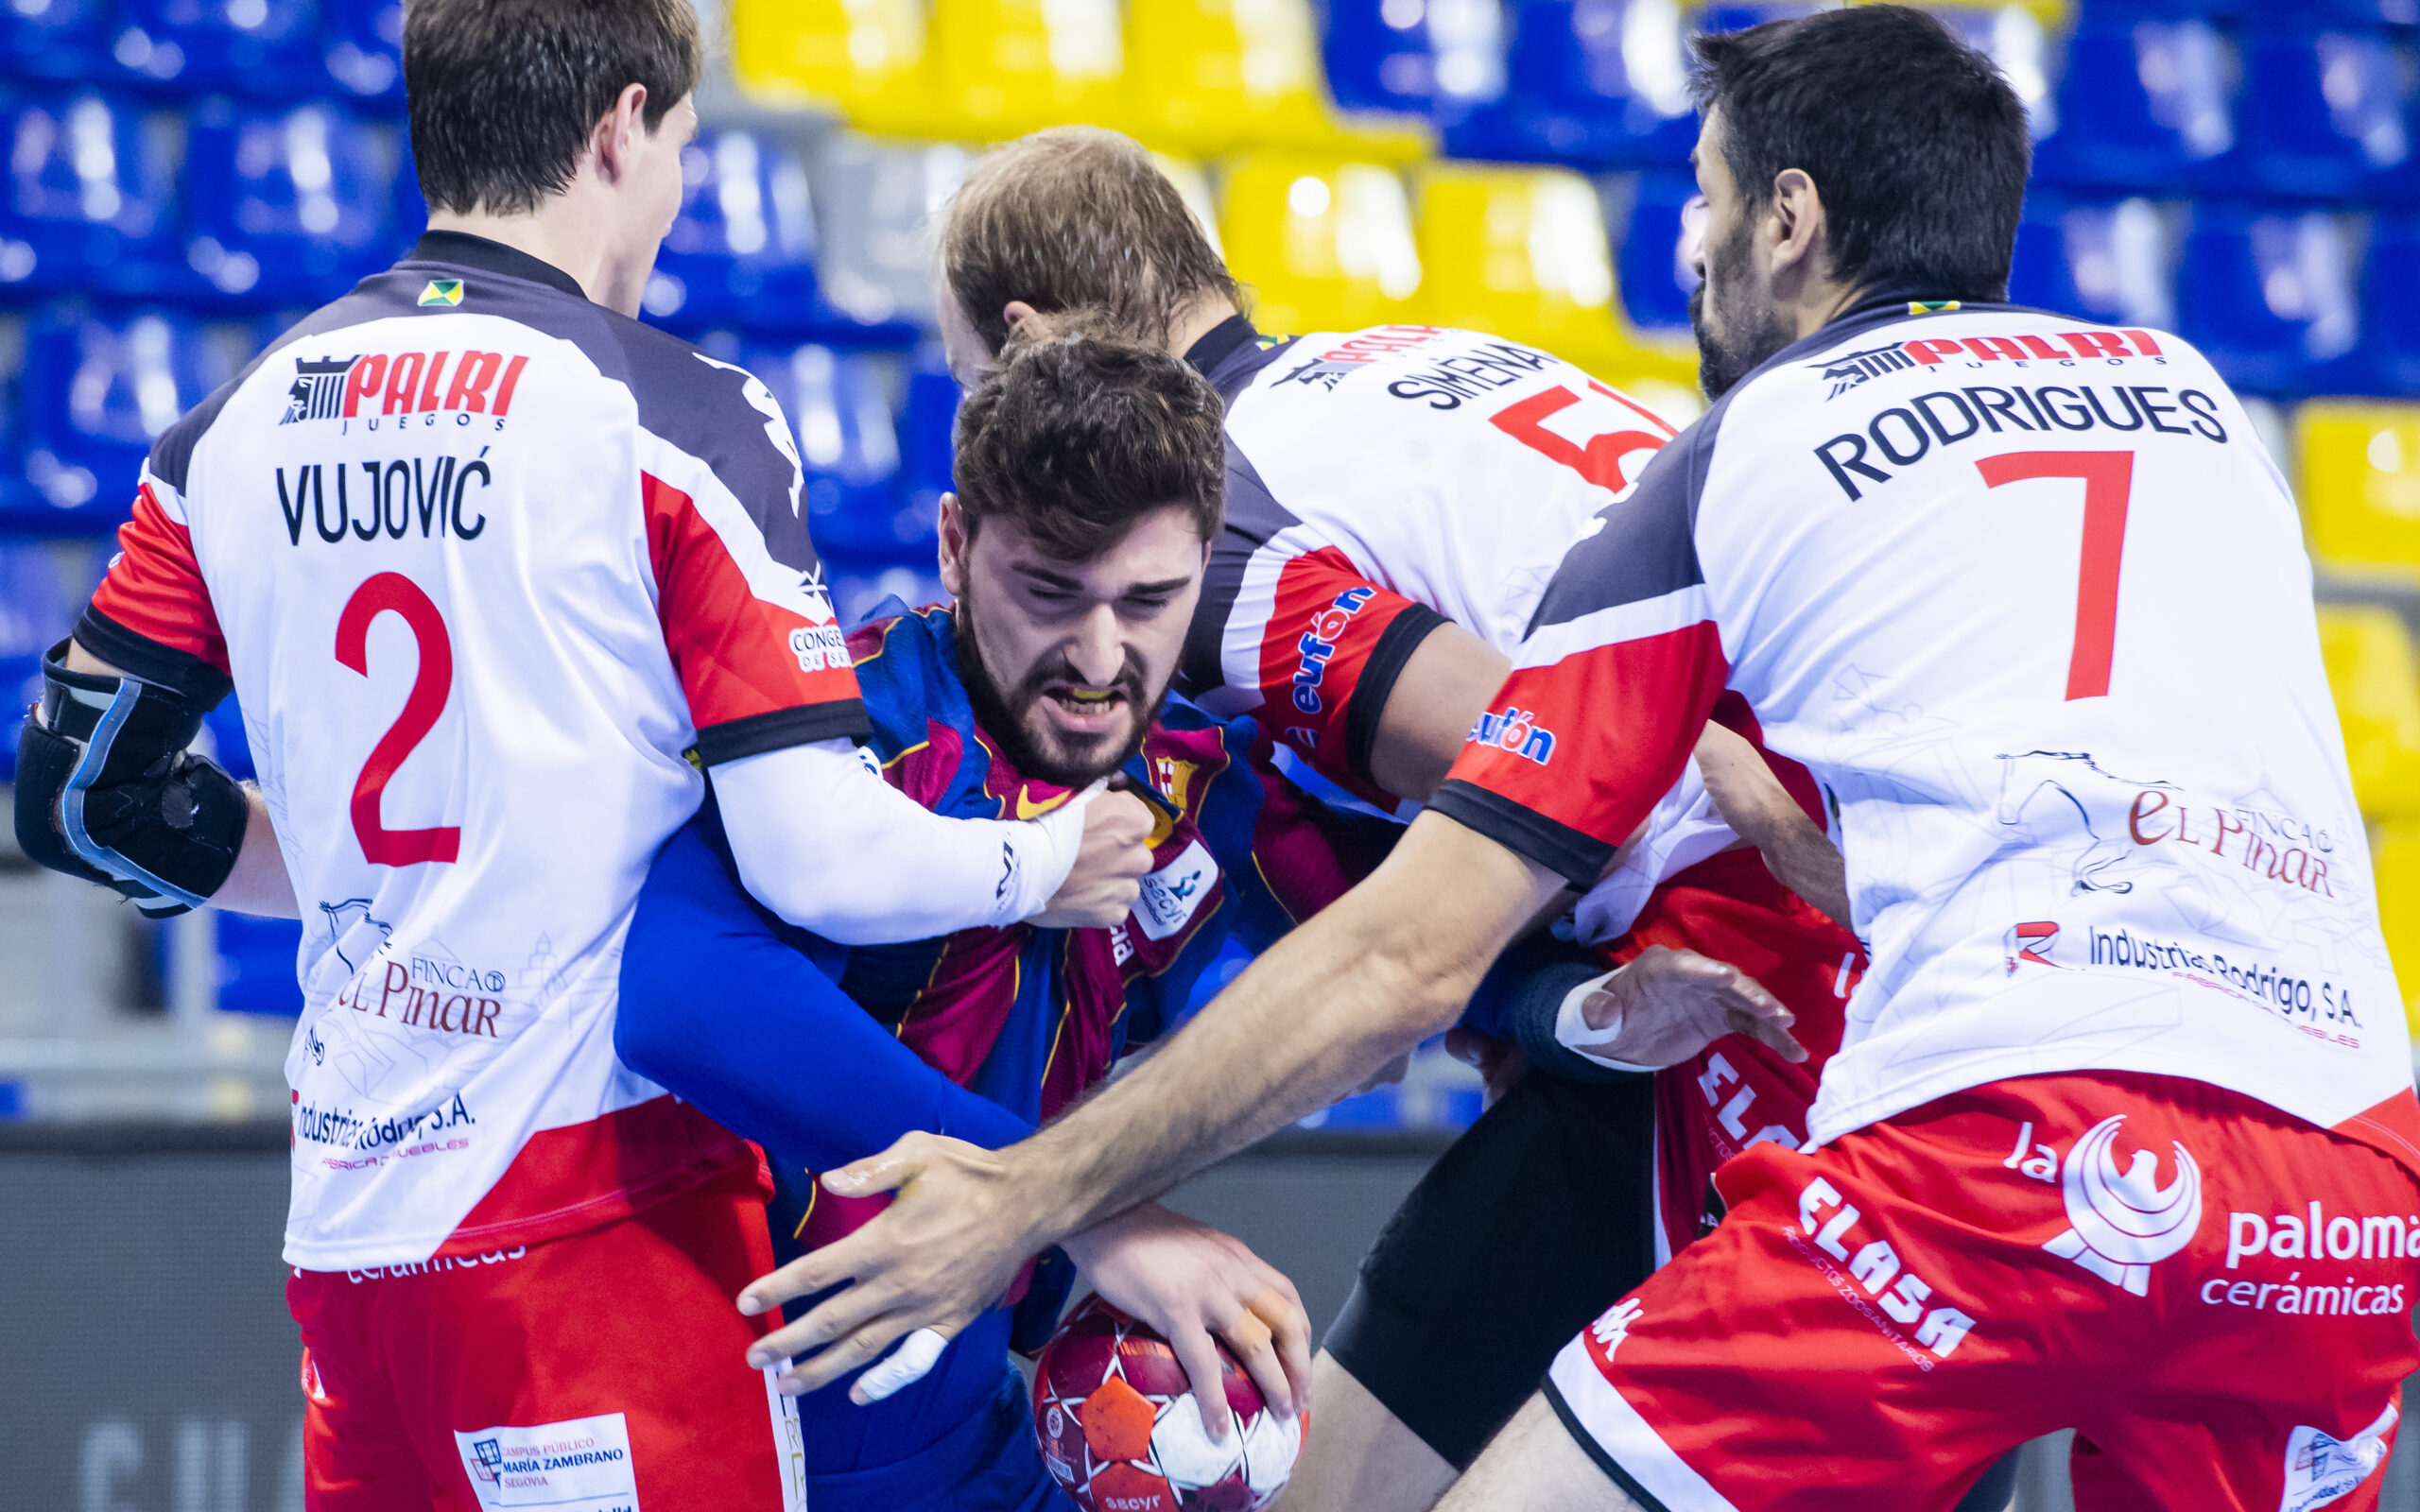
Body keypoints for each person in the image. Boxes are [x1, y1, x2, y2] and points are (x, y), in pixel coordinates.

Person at [739, 10, 2420, 1510]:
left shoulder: (1239, 517)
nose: (1681, 248)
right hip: (2343, 1152)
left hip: (1838, 1023)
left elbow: (1478, 831)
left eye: (1699, 199)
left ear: (1791, 217)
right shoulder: (2182, 390)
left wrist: (1040, 1197)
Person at [9, 3, 1152, 1507]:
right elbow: (815, 848)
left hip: (350, 1247)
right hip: (594, 1227)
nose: (677, 196)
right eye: (679, 148)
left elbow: (79, 799)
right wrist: (1044, 859)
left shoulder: (229, 427)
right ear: (620, 128)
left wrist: (357, 869)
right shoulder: (675, 416)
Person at [924, 125, 1883, 1509]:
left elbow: (1551, 762)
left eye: (970, 382)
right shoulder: (1396, 361)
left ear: (1025, 343)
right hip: (1850, 899)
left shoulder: (1204, 518)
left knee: (1357, 1476)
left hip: (1753, 944)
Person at [614, 330, 1358, 1512]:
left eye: (1150, 601)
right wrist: (1077, 1202)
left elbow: (1394, 936)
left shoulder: (1198, 786)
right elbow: (675, 996)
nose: (1100, 659)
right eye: (1051, 592)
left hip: (966, 1434)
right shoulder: (834, 740)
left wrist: (1561, 1004)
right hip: (735, 1434)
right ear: (956, 546)